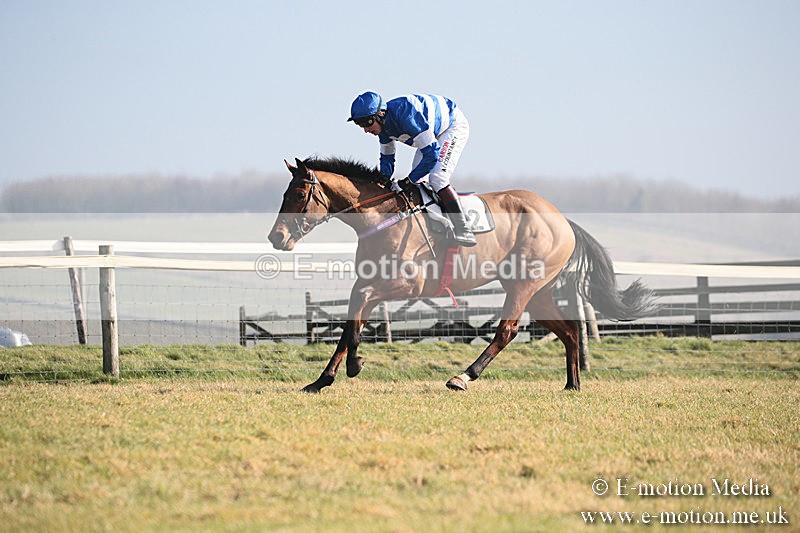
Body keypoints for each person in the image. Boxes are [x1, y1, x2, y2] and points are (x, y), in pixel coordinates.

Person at [347, 91, 477, 247]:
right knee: (419, 181)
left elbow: (432, 154)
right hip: (433, 134)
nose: (365, 130)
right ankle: (438, 227)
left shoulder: (406, 116)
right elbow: (387, 160)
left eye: (366, 123)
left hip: (451, 126)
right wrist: (382, 182)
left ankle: (463, 228)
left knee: (437, 178)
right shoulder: (383, 130)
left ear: (380, 115)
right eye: (360, 124)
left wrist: (407, 181)